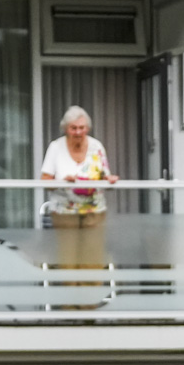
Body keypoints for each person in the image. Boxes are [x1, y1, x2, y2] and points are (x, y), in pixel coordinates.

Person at [40, 105, 115, 272]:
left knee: (93, 261)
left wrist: (109, 179)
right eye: (73, 128)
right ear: (66, 129)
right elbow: (44, 181)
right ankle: (71, 298)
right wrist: (63, 182)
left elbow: (104, 175)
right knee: (68, 262)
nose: (78, 132)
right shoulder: (56, 147)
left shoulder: (97, 147)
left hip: (94, 212)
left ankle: (90, 298)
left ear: (87, 128)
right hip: (65, 213)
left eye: (82, 128)